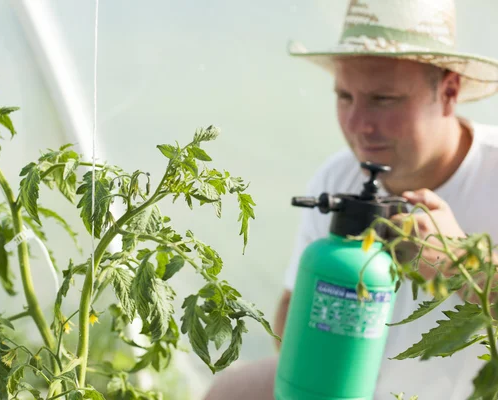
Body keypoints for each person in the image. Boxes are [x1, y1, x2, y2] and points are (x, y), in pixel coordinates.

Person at [203, 0, 498, 399]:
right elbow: (291, 326)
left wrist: (457, 264)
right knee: (231, 391)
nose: (358, 125)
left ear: (448, 91)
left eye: (384, 99)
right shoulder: (338, 174)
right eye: (344, 96)